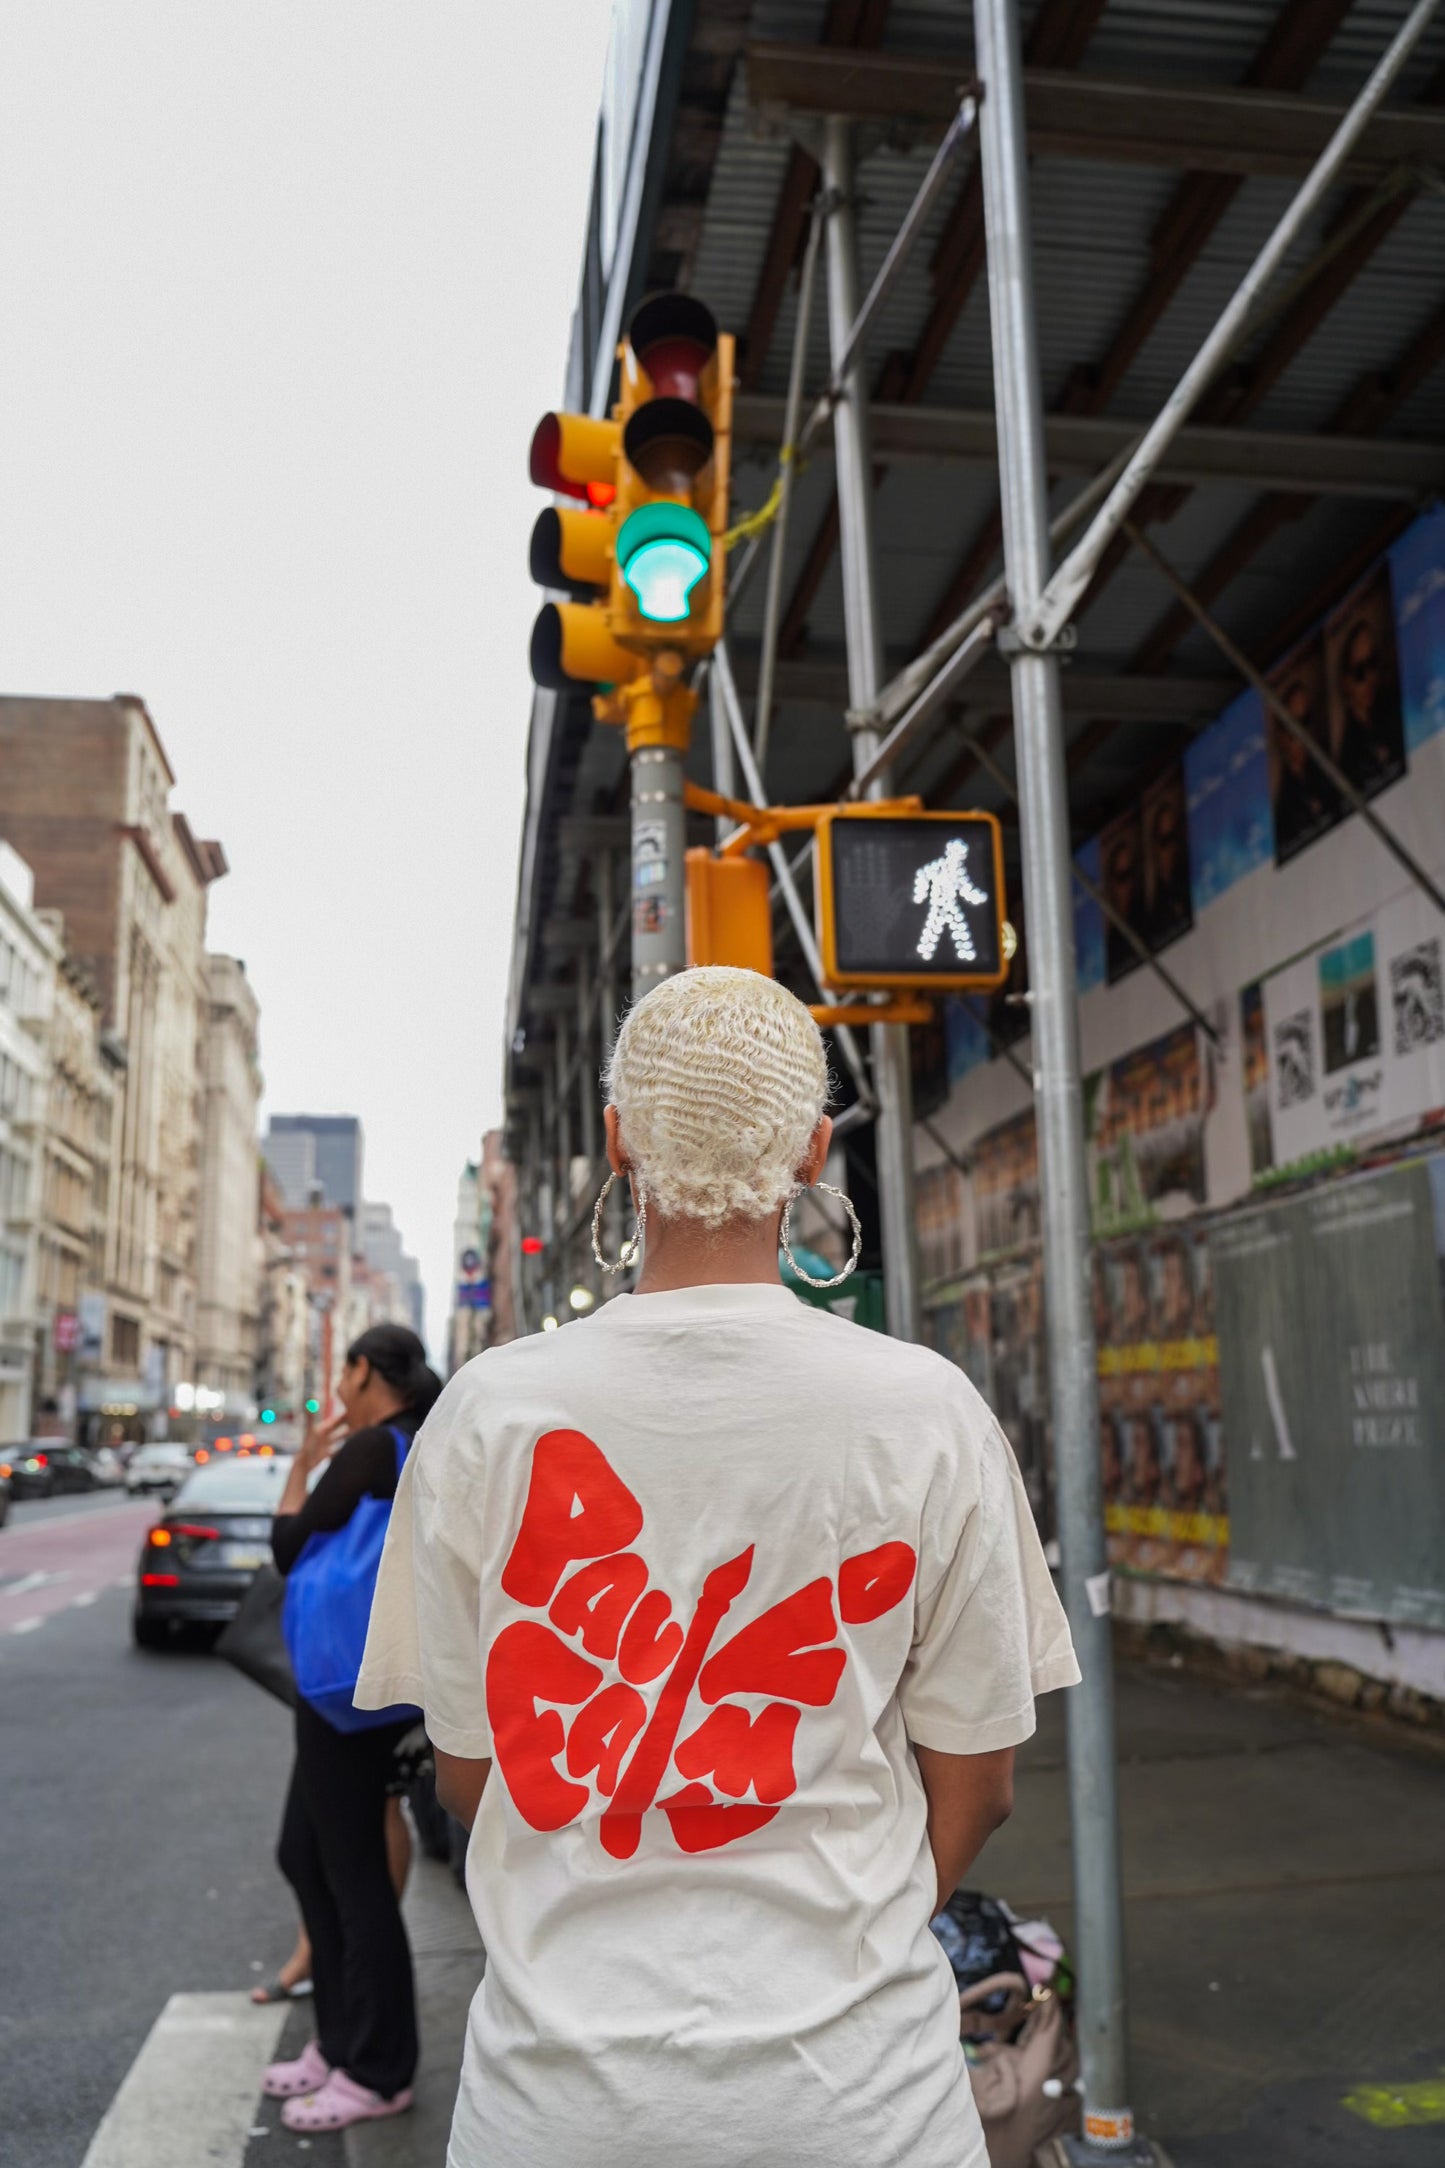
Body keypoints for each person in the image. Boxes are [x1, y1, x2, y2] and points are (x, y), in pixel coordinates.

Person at [356, 966, 1079, 2168]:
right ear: (809, 1150)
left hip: (556, 2108)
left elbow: (476, 1775)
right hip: (863, 2102)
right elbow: (978, 1779)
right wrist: (851, 1915)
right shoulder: (924, 1410)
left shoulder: (486, 1412)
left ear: (617, 1140)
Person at [260, 1323, 442, 2133]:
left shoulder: (377, 1448)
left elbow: (289, 1548)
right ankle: (339, 2045)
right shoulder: (414, 1441)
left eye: (344, 1366)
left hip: (348, 1688)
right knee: (305, 1853)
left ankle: (379, 2067)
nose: (336, 1381)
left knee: (352, 1872)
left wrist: (302, 1464)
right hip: (360, 1682)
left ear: (366, 1370)